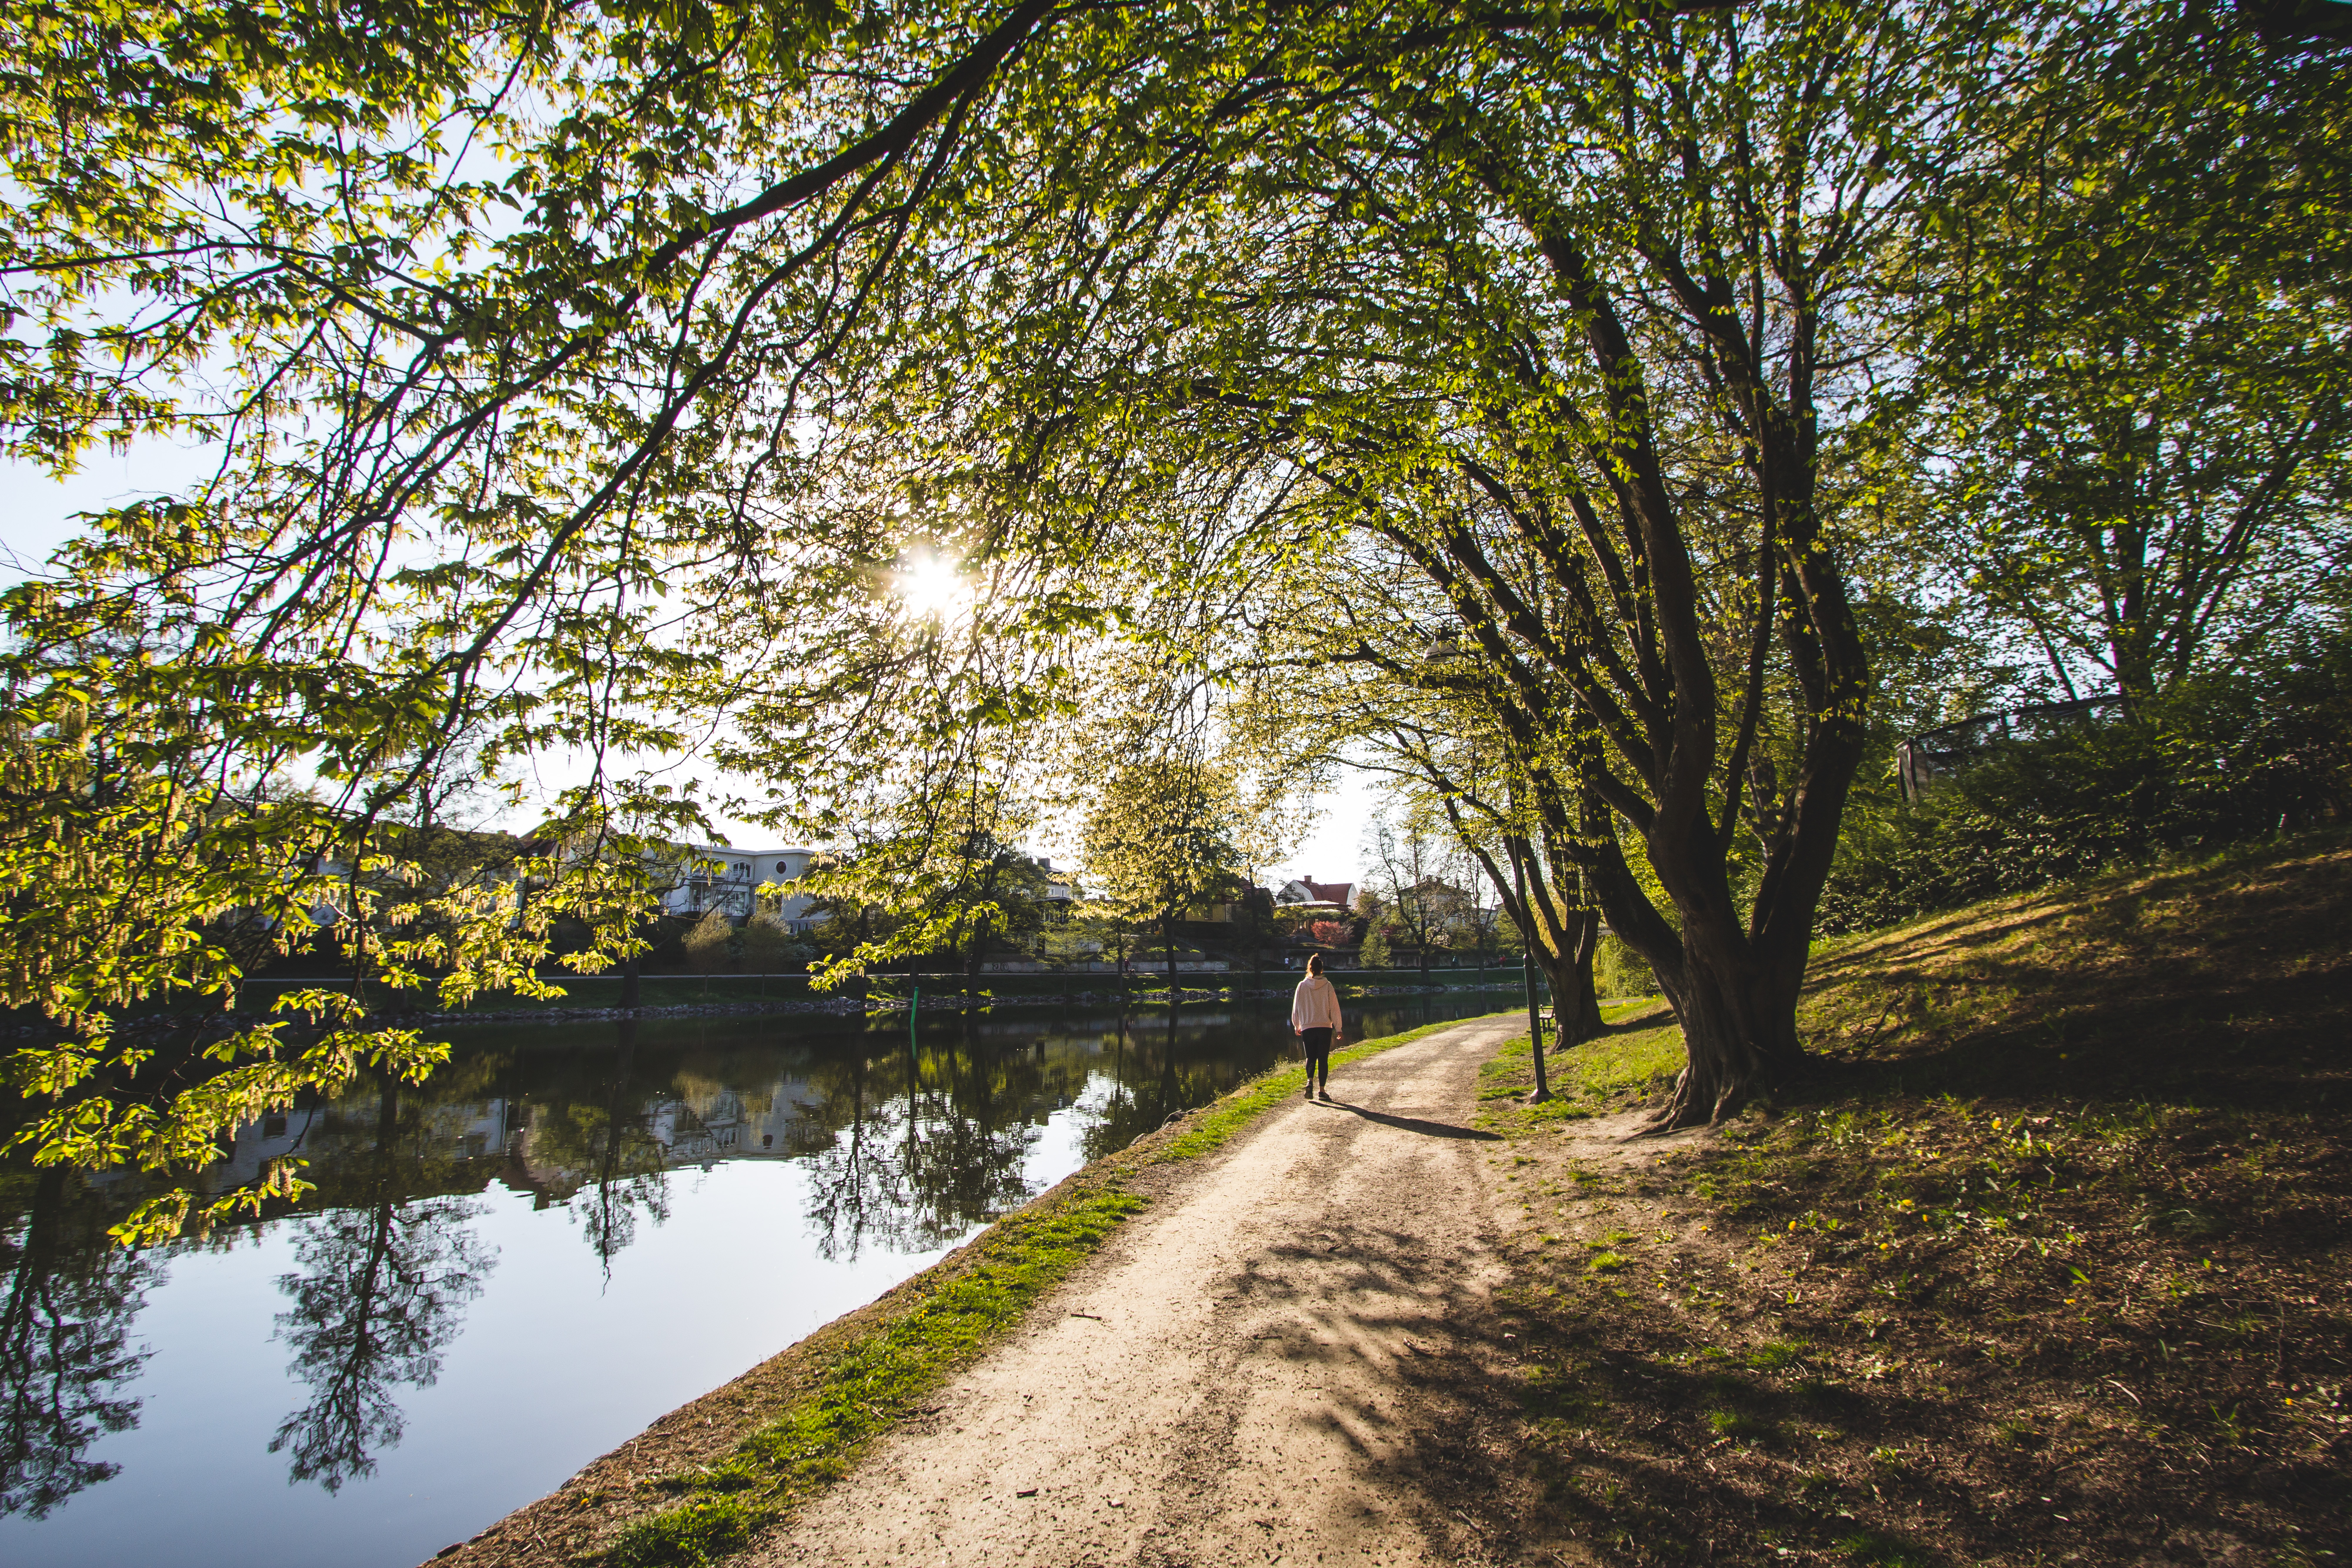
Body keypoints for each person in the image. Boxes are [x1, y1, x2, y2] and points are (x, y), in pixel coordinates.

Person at [1291, 953, 1344, 1100]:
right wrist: (1338, 1027)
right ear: (1322, 970)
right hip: (1325, 1027)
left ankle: (1310, 1082)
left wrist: (1297, 1025)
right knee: (1323, 1059)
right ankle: (1322, 1091)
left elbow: (1297, 1007)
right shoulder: (1327, 986)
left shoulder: (1302, 986)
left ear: (1310, 968)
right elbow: (1334, 1007)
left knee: (1311, 1057)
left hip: (1308, 1027)